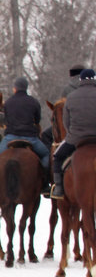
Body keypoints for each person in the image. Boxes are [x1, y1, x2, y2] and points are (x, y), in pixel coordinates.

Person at [0, 76, 50, 189]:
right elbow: (37, 120)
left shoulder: (8, 102)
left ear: (15, 88)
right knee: (46, 154)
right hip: (30, 138)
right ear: (26, 88)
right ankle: (44, 180)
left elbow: (6, 119)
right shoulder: (34, 101)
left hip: (11, 137)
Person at [50, 68, 96, 199]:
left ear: (80, 80)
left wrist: (73, 133)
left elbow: (66, 122)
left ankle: (58, 188)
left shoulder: (70, 97)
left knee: (57, 157)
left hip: (76, 138)